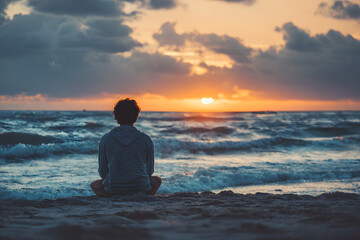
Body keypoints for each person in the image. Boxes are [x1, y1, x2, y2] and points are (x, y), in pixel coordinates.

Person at [90, 98, 162, 197]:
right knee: (157, 180)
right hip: (141, 188)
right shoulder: (146, 139)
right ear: (136, 116)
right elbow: (150, 171)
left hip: (113, 189)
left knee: (94, 184)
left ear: (115, 116)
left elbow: (102, 173)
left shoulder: (106, 139)